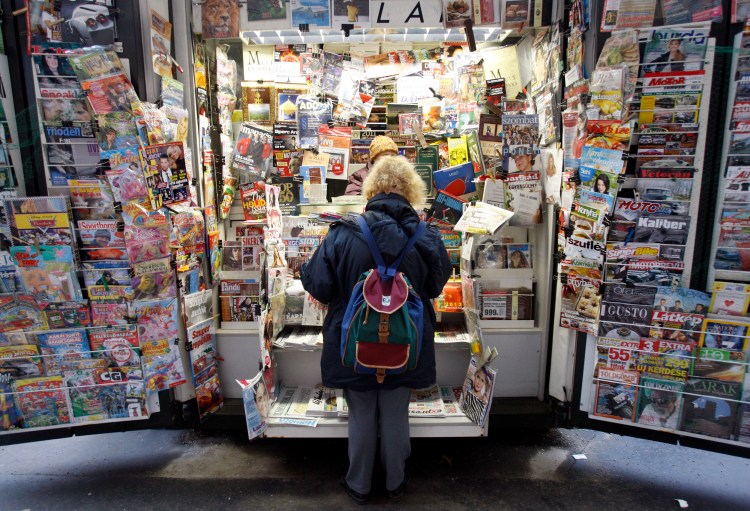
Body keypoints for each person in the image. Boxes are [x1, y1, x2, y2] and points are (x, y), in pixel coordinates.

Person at [301, 156, 451, 504]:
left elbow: (318, 286)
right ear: (411, 191)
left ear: (371, 189)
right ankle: (396, 481)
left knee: (362, 412)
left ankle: (359, 485)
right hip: (406, 343)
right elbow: (436, 286)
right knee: (397, 411)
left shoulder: (343, 232)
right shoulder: (426, 235)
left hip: (354, 344)